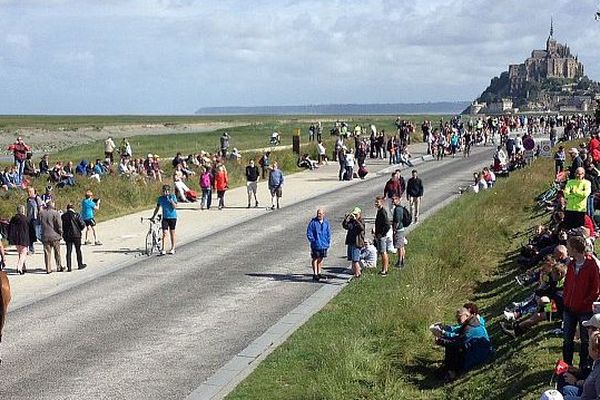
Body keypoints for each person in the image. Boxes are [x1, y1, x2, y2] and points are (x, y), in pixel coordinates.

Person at [563, 235, 600, 374]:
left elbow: (595, 290)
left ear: (574, 249)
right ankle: (566, 366)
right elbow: (567, 284)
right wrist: (566, 299)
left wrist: (584, 303)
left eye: (569, 247)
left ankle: (584, 367)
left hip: (584, 310)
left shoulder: (591, 266)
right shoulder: (571, 264)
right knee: (567, 339)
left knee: (585, 341)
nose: (567, 249)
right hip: (569, 308)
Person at [150, 184, 177, 255]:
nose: (165, 193)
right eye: (164, 191)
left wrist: (171, 201)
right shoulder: (160, 198)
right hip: (165, 218)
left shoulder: (172, 196)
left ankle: (173, 248)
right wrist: (153, 216)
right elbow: (157, 208)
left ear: (169, 191)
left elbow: (175, 207)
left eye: (167, 191)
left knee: (172, 232)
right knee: (164, 233)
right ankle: (163, 249)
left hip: (173, 217)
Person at [306, 208, 331, 282]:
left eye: (320, 213)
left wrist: (328, 241)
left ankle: (319, 272)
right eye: (318, 213)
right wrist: (313, 240)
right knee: (315, 259)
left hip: (324, 244)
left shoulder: (326, 222)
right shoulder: (313, 222)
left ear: (323, 214)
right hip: (316, 244)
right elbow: (309, 233)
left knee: (321, 258)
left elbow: (328, 233)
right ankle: (315, 274)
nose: (319, 215)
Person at [39, 201, 64, 273]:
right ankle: (59, 266)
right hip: (55, 235)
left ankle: (48, 268)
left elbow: (38, 223)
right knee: (57, 252)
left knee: (47, 253)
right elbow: (59, 225)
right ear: (52, 205)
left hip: (45, 236)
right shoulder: (56, 213)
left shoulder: (41, 213)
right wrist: (61, 233)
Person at [61, 203, 87, 272]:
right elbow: (82, 224)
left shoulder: (63, 216)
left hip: (67, 235)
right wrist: (79, 229)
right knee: (78, 250)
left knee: (68, 251)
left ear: (67, 208)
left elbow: (62, 226)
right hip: (76, 235)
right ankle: (80, 264)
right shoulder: (77, 215)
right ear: (73, 208)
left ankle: (69, 267)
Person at [342, 207, 365, 278]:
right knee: (352, 258)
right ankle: (353, 270)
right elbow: (345, 226)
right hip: (351, 241)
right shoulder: (352, 221)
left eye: (356, 214)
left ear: (359, 214)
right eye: (354, 214)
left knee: (355, 259)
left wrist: (356, 220)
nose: (355, 215)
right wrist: (346, 219)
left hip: (357, 242)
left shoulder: (361, 221)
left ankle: (358, 273)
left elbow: (361, 228)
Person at [8, 205, 31, 275]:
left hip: (16, 239)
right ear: (23, 211)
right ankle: (19, 267)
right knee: (23, 253)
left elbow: (10, 229)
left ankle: (24, 267)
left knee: (20, 253)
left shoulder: (13, 219)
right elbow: (30, 230)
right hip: (24, 238)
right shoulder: (25, 219)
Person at [374, 196, 392, 276]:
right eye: (375, 202)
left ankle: (385, 270)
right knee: (381, 252)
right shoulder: (379, 211)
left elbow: (387, 225)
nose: (376, 203)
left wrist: (382, 234)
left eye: (377, 202)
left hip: (382, 236)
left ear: (382, 202)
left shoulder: (382, 212)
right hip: (378, 235)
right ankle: (383, 269)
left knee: (383, 252)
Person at [392, 194, 411, 268]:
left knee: (399, 247)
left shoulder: (397, 209)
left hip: (399, 230)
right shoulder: (400, 208)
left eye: (395, 199)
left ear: (399, 200)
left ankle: (400, 262)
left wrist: (394, 230)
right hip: (401, 229)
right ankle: (402, 260)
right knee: (402, 246)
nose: (393, 201)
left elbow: (397, 221)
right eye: (393, 199)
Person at [25, 187, 44, 254]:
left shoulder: (37, 198)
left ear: (33, 192)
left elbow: (41, 208)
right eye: (28, 192)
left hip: (36, 219)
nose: (28, 193)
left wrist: (41, 218)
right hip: (29, 219)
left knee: (37, 234)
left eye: (30, 192)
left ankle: (46, 245)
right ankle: (31, 249)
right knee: (30, 235)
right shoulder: (28, 199)